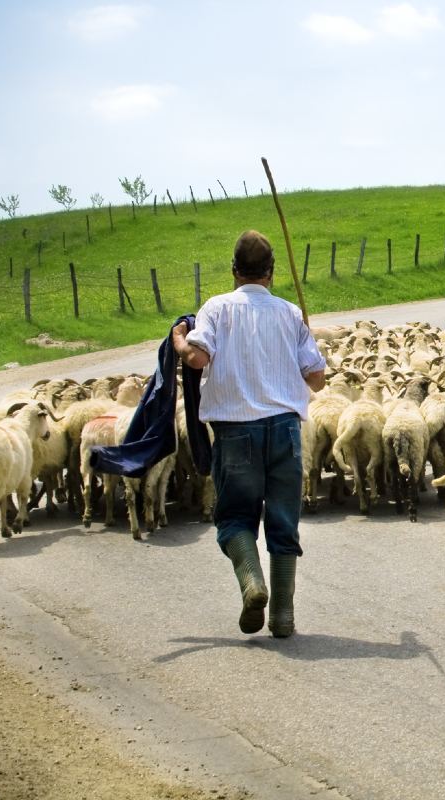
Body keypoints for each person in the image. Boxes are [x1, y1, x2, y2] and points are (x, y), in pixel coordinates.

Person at [172, 230, 326, 638]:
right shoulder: (290, 313)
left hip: (236, 432)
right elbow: (318, 380)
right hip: (285, 432)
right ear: (271, 273)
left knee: (235, 516)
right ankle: (283, 616)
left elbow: (197, 357)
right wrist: (307, 343)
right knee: (283, 520)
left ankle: (253, 583)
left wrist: (179, 342)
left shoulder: (216, 309)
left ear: (234, 271)